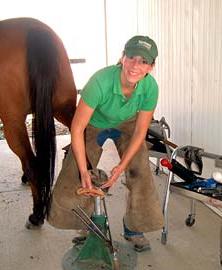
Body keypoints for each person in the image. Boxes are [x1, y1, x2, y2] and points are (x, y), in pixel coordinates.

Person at [47, 35, 165, 252]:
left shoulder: (150, 88)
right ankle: (85, 222)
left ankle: (134, 228)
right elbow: (77, 128)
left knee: (139, 165)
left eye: (143, 62)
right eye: (131, 57)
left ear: (151, 67)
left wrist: (121, 167)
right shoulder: (100, 81)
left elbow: (140, 130)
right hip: (95, 122)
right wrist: (84, 170)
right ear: (122, 57)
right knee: (75, 169)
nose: (135, 66)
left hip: (128, 123)